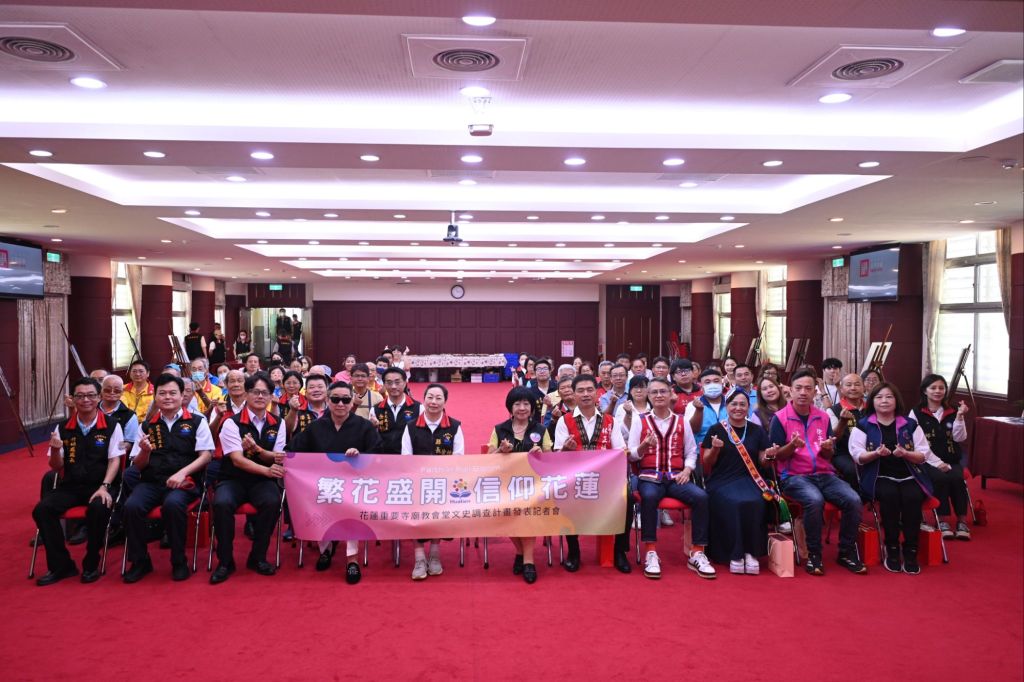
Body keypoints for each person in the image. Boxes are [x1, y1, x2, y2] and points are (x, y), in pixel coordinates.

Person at [767, 370, 865, 576]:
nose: (803, 392)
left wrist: (828, 448)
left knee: (854, 500)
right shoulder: (780, 418)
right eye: (798, 388)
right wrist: (792, 446)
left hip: (824, 474)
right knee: (815, 500)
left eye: (808, 388)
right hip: (794, 477)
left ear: (814, 392)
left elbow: (828, 455)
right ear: (790, 391)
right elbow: (777, 456)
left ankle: (846, 552)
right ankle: (814, 554)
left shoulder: (822, 416)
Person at [32, 377, 125, 585]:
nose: (85, 400)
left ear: (99, 398)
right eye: (80, 396)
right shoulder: (63, 427)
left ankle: (91, 562)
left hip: (101, 485)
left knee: (99, 508)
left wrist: (105, 487)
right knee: (42, 510)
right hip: (71, 486)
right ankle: (61, 565)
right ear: (73, 399)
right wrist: (55, 450)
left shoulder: (112, 425)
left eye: (91, 395)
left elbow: (114, 461)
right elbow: (55, 466)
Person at [122, 373, 214, 583]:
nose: (167, 397)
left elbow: (206, 456)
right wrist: (145, 451)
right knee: (131, 507)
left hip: (185, 482)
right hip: (152, 482)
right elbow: (138, 465)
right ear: (155, 397)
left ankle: (178, 561)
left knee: (173, 505)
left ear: (182, 396)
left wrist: (183, 473)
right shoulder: (147, 426)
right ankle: (140, 561)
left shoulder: (197, 422)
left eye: (173, 393)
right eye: (162, 393)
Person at [290, 380, 383, 584]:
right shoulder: (315, 427)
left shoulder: (364, 426)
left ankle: (352, 559)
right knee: (317, 502)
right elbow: (294, 451)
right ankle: (326, 549)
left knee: (351, 507)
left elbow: (377, 454)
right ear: (327, 400)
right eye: (335, 399)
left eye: (346, 400)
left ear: (352, 402)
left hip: (355, 486)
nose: (340, 404)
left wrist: (360, 456)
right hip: (322, 486)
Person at [849, 382, 943, 574]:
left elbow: (923, 455)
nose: (884, 401)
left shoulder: (910, 424)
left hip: (910, 476)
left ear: (896, 400)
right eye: (879, 397)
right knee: (889, 496)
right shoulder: (864, 425)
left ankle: (910, 550)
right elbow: (857, 455)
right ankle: (891, 548)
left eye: (889, 397)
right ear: (872, 401)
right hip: (879, 476)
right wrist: (876, 453)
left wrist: (906, 454)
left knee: (912, 497)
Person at [629, 377, 714, 579]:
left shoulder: (681, 420)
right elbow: (631, 454)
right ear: (648, 396)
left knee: (701, 497)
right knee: (649, 497)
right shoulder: (640, 420)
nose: (659, 395)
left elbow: (691, 451)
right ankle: (651, 551)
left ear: (670, 394)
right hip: (650, 477)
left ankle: (697, 552)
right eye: (654, 392)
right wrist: (643, 446)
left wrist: (687, 470)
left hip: (677, 477)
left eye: (663, 391)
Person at [210, 372, 286, 584]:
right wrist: (266, 469)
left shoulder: (278, 423)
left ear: (271, 396)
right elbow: (237, 460)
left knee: (272, 502)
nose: (260, 396)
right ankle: (225, 561)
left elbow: (276, 456)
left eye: (265, 393)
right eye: (255, 392)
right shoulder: (231, 423)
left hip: (262, 482)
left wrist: (258, 450)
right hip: (233, 479)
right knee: (221, 503)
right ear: (246, 394)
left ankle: (257, 557)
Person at [553, 374, 632, 574]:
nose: (586, 394)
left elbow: (620, 451)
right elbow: (557, 458)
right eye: (580, 390)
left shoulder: (610, 421)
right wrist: (566, 449)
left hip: (606, 479)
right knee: (565, 495)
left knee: (628, 497)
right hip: (575, 478)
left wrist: (623, 453)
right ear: (573, 394)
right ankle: (574, 550)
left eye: (590, 390)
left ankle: (620, 550)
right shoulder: (564, 421)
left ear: (597, 393)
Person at [702, 389, 778, 574]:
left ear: (748, 407)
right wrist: (715, 449)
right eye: (733, 404)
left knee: (756, 501)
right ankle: (734, 553)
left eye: (742, 404)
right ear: (727, 406)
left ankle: (751, 552)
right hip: (722, 481)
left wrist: (769, 455)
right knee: (734, 502)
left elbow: (763, 463)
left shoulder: (756, 430)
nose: (738, 408)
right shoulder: (716, 429)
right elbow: (707, 463)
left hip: (750, 479)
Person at [401, 384, 465, 580]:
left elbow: (458, 457)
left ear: (445, 402)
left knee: (438, 511)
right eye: (430, 397)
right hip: (416, 483)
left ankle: (435, 553)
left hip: (443, 483)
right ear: (424, 399)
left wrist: (440, 476)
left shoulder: (454, 426)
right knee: (415, 512)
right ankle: (419, 557)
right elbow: (406, 457)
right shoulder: (411, 426)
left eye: (438, 398)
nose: (433, 402)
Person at [489, 387, 552, 584]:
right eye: (517, 404)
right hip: (504, 487)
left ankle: (528, 561)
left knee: (527, 512)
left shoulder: (541, 430)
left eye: (526, 404)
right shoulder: (499, 429)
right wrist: (500, 451)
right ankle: (520, 551)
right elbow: (488, 460)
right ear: (510, 407)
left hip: (534, 487)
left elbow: (551, 460)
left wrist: (540, 455)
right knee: (505, 515)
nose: (522, 408)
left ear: (532, 407)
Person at [911, 374, 971, 540]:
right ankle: (942, 520)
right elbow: (915, 442)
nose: (937, 391)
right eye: (933, 388)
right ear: (925, 391)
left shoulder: (953, 410)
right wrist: (937, 463)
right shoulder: (916, 413)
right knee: (941, 478)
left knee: (957, 478)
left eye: (941, 388)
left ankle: (962, 521)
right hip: (927, 461)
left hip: (952, 459)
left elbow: (960, 438)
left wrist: (960, 417)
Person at [827, 373, 867, 492]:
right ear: (842, 389)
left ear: (864, 388)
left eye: (857, 384)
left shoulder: (872, 408)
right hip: (844, 453)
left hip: (870, 451)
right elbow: (833, 438)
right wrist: (842, 422)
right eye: (848, 385)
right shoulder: (833, 410)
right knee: (852, 470)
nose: (853, 388)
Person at [373, 367, 422, 454]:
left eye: (397, 382)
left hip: (410, 456)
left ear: (405, 383)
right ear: (384, 384)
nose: (393, 386)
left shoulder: (418, 408)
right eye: (389, 382)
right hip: (384, 456)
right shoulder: (376, 409)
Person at [685, 368, 729, 446]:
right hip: (703, 449)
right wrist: (698, 410)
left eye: (716, 381)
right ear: (701, 387)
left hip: (730, 447)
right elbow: (692, 430)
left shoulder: (731, 403)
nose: (712, 385)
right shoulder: (693, 405)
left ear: (722, 385)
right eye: (707, 382)